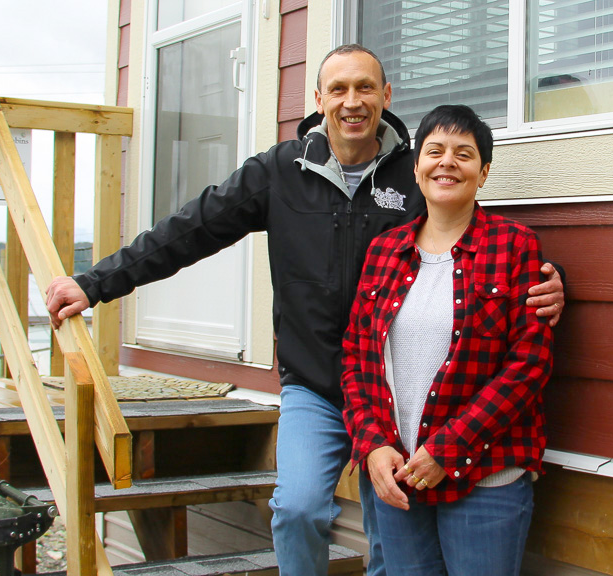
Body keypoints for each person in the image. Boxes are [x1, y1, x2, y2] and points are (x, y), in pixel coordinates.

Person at [45, 46, 565, 575]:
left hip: (399, 393)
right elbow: (189, 230)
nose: (352, 102)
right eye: (337, 90)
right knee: (296, 509)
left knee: (390, 542)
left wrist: (550, 281)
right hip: (317, 382)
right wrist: (95, 283)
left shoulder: (416, 172)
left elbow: (471, 242)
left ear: (386, 97)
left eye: (365, 88)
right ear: (318, 100)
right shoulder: (279, 171)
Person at [341, 104, 554, 576]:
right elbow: (356, 358)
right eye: (434, 151)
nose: (447, 162)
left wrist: (449, 448)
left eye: (464, 154)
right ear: (416, 169)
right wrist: (372, 443)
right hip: (400, 472)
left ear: (484, 172)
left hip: (486, 478)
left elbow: (528, 365)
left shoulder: (515, 246)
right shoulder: (384, 252)